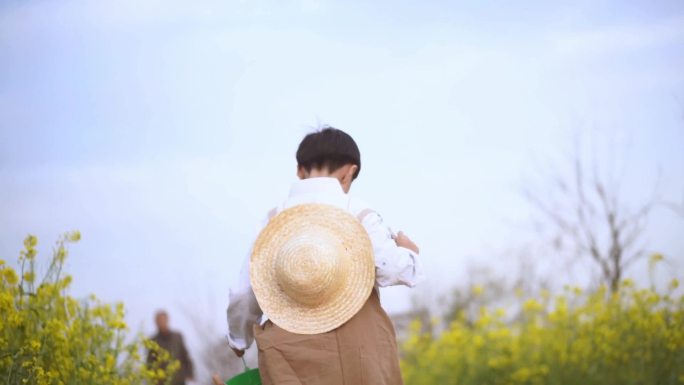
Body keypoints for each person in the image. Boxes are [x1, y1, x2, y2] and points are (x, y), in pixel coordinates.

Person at [226, 127, 423, 385]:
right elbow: (393, 269)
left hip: (288, 348)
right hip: (360, 348)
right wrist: (410, 253)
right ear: (349, 172)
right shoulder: (357, 212)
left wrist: (238, 339)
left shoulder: (273, 220)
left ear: (299, 170)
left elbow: (245, 292)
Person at [148, 310, 195, 385]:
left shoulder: (177, 337)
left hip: (178, 379)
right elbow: (150, 362)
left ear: (167, 320)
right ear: (156, 322)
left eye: (163, 320)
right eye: (159, 321)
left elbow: (185, 356)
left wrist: (190, 373)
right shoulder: (153, 340)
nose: (161, 322)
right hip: (161, 381)